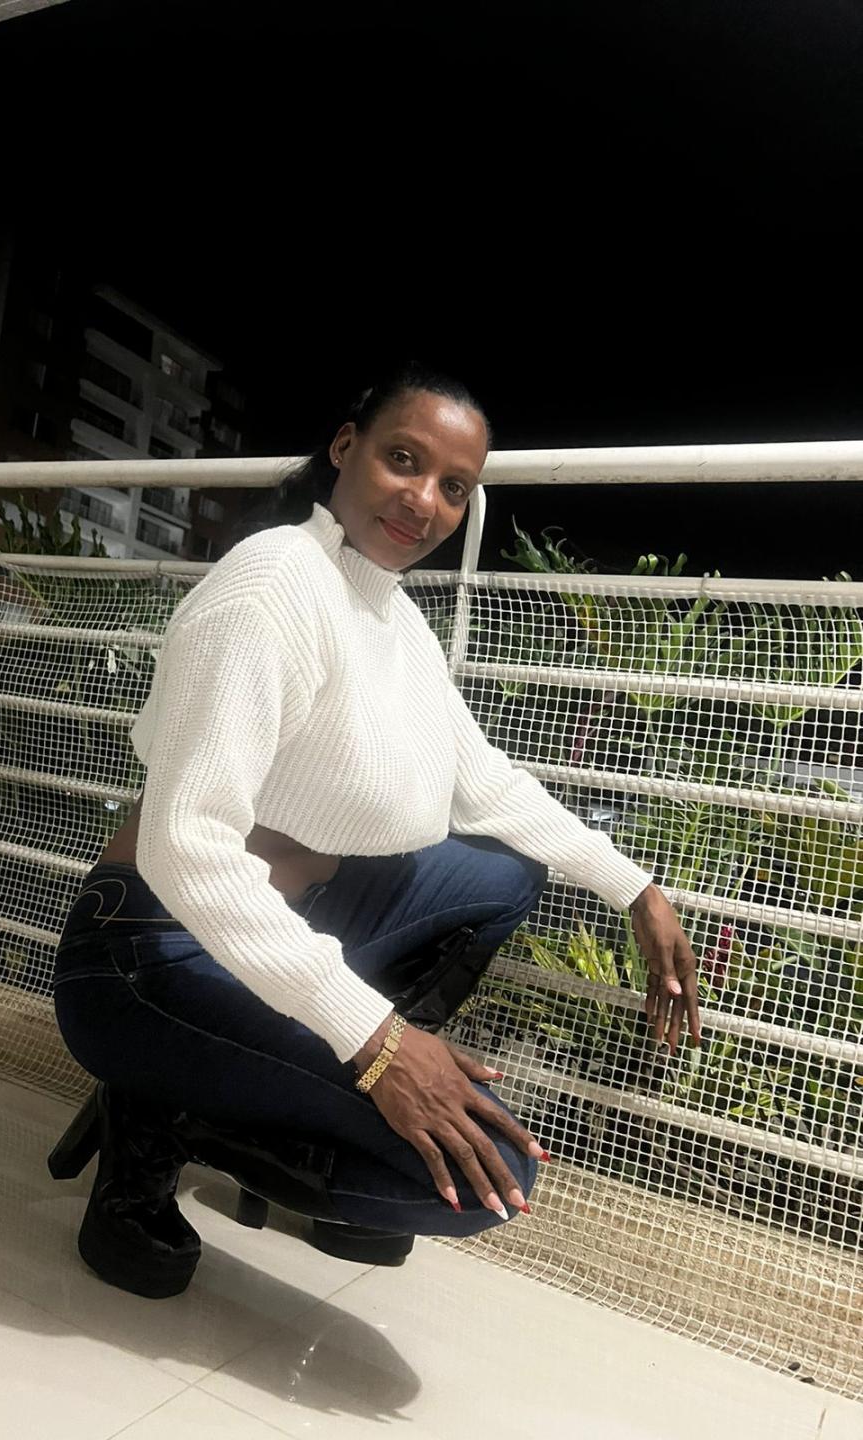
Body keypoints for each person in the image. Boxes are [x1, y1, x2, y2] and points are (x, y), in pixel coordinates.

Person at [48, 363, 703, 1299]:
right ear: (345, 448)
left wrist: (636, 890)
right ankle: (154, 1119)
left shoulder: (395, 621)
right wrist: (378, 1039)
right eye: (404, 460)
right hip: (145, 953)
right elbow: (186, 848)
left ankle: (278, 1083)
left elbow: (486, 784)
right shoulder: (274, 582)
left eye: (454, 487)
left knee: (505, 871)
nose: (425, 500)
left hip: (286, 923)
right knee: (493, 1180)